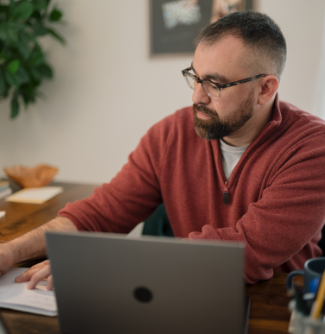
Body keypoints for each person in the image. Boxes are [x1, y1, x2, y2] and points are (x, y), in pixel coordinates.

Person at [2, 10, 325, 288]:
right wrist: (11, 251)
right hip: (181, 290)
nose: (197, 97)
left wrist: (101, 264)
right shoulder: (171, 134)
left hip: (280, 305)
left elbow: (243, 255)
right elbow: (101, 213)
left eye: (215, 84)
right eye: (194, 77)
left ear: (265, 89)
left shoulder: (312, 149)